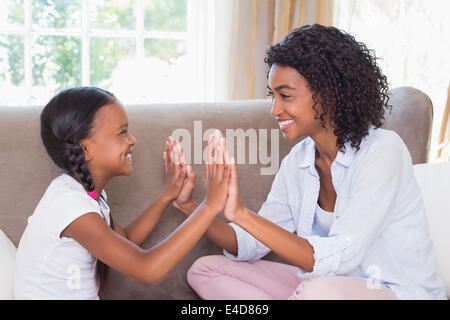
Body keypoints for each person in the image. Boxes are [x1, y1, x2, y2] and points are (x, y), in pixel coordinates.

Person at [178, 24, 447, 300]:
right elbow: (251, 242)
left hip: (393, 291)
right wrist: (191, 206)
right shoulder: (298, 160)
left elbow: (342, 258)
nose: (275, 109)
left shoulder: (383, 151)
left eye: (286, 95)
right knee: (206, 270)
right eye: (273, 95)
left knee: (317, 290)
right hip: (324, 288)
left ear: (328, 93)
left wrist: (241, 213)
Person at [14, 86, 231, 299]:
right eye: (122, 132)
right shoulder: (69, 205)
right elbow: (149, 270)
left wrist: (168, 195)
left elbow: (125, 240)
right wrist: (209, 206)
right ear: (85, 148)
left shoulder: (87, 194)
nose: (132, 140)